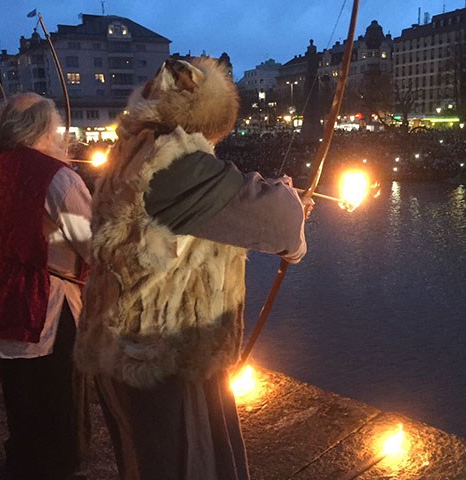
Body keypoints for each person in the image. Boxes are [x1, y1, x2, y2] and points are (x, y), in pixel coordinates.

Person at [74, 58, 312, 480]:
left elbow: (196, 219)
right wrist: (290, 205)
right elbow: (277, 222)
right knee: (187, 465)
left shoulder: (131, 151)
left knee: (144, 463)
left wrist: (275, 200)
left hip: (124, 347)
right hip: (163, 356)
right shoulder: (174, 164)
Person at [0, 93, 92, 480]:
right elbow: (90, 241)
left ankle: (22, 463)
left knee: (19, 399)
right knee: (60, 402)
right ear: (43, 129)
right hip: (43, 303)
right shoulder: (56, 176)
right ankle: (57, 469)